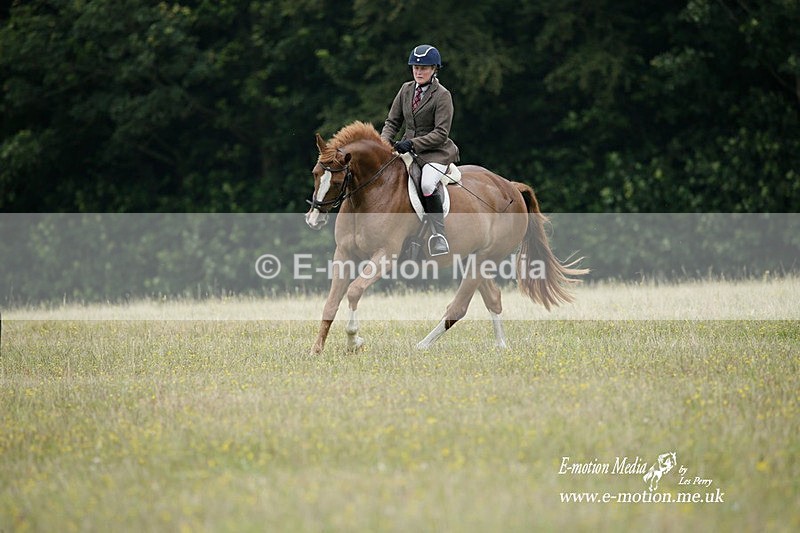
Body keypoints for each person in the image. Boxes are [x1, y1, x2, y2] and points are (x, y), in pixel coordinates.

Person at [380, 44, 459, 256]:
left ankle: (438, 235)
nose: (418, 71)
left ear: (435, 69)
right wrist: (383, 143)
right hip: (407, 148)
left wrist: (413, 144)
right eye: (415, 67)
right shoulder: (406, 89)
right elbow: (392, 122)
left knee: (426, 184)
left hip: (435, 151)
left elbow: (441, 133)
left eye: (424, 67)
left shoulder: (442, 95)